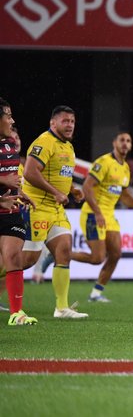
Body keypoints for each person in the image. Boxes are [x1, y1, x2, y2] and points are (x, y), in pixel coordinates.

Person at [70, 132, 133, 303]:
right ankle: (62, 254)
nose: (125, 143)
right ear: (114, 143)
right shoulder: (104, 162)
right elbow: (87, 187)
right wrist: (97, 212)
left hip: (109, 215)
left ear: (130, 146)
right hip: (93, 214)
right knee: (97, 258)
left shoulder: (125, 168)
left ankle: (96, 293)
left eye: (128, 141)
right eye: (122, 140)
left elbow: (123, 194)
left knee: (116, 254)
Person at [21, 106, 87, 318]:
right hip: (37, 207)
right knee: (27, 260)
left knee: (64, 250)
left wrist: (71, 189)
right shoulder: (44, 142)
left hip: (55, 209)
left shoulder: (67, 146)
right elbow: (30, 172)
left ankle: (62, 308)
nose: (70, 125)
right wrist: (56, 192)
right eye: (65, 121)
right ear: (53, 123)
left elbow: (60, 174)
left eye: (72, 121)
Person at [0, 98, 37, 325]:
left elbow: (13, 179)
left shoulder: (11, 145)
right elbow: (5, 178)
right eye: (8, 116)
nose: (12, 121)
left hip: (11, 211)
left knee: (13, 257)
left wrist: (20, 192)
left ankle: (16, 313)